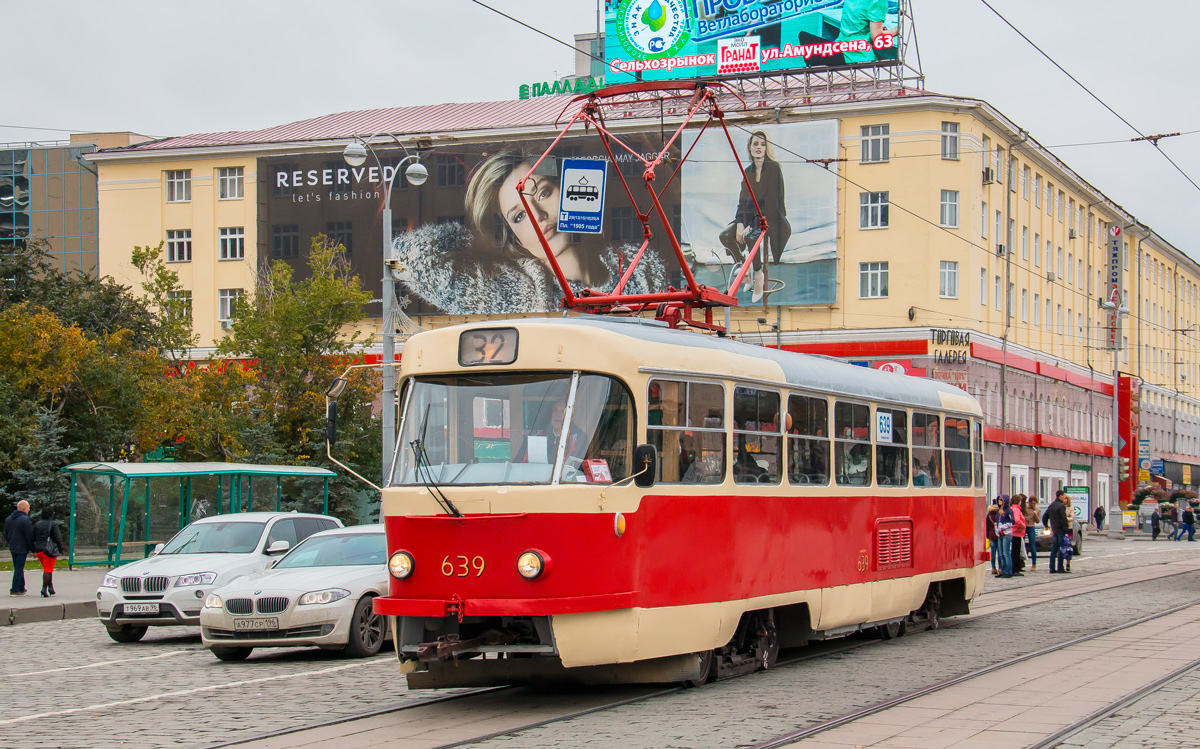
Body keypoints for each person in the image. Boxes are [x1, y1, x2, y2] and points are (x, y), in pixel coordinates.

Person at [394, 148, 666, 314]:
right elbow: (405, 256)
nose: (538, 216)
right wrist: (479, 240)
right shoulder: (509, 290)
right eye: (519, 215)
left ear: (568, 191)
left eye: (544, 192)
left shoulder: (641, 265)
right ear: (513, 236)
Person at [718, 131, 791, 303]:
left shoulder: (773, 168)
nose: (759, 147)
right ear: (749, 147)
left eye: (762, 144)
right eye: (755, 144)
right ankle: (745, 266)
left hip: (771, 217)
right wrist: (740, 223)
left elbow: (772, 203)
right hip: (750, 217)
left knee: (752, 237)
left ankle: (758, 273)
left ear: (767, 148)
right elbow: (742, 202)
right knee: (725, 236)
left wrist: (751, 225)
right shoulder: (748, 171)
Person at [836, 0, 893, 64]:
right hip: (860, 57)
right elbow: (876, 38)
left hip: (842, 48)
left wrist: (875, 27)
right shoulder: (877, 1)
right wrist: (899, 28)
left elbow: (857, 19)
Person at [3, 499, 35, 596]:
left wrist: (10, 542)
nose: (29, 509)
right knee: (19, 568)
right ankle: (15, 589)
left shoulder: (8, 519)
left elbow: (5, 534)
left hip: (13, 546)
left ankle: (21, 587)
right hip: (22, 547)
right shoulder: (25, 520)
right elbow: (29, 535)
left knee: (18, 566)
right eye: (28, 507)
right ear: (24, 508)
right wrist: (33, 549)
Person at [32, 507, 63, 597]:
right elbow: (58, 537)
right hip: (49, 550)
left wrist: (33, 550)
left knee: (47, 569)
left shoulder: (37, 524)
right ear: (51, 514)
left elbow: (32, 537)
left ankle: (51, 588)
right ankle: (44, 589)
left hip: (39, 550)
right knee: (47, 570)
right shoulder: (53, 524)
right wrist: (60, 549)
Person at [1045, 490, 1070, 574]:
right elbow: (1063, 519)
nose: (1064, 497)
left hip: (1054, 529)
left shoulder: (1051, 506)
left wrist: (1046, 525)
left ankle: (1052, 568)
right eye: (1063, 496)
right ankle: (1060, 567)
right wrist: (1066, 530)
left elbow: (1045, 517)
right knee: (1061, 548)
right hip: (1060, 530)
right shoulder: (1061, 506)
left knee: (1054, 549)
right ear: (1060, 496)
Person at [996, 496, 1014, 578]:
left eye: (1001, 499)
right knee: (1001, 554)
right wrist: (997, 528)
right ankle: (1002, 571)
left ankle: (1008, 571)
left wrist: (1004, 526)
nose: (999, 501)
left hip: (1006, 534)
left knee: (1006, 553)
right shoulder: (998, 511)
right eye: (999, 499)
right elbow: (996, 521)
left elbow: (1012, 521)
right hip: (1000, 534)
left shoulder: (1009, 510)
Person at [1011, 494, 1027, 576]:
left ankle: (1015, 568)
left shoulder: (1012, 508)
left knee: (1014, 551)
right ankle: (1015, 569)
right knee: (1016, 552)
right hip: (1016, 533)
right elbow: (1017, 520)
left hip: (1014, 532)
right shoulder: (1016, 510)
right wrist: (1023, 526)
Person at [1024, 497, 1040, 571]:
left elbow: (1038, 521)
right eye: (1031, 503)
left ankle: (1034, 564)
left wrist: (1035, 515)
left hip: (1031, 526)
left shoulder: (1037, 509)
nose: (1033, 505)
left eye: (1034, 503)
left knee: (1032, 545)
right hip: (1024, 526)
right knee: (1022, 544)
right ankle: (1021, 562)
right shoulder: (1025, 508)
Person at [985, 499, 999, 576]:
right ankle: (1000, 568)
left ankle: (993, 568)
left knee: (993, 553)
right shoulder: (1000, 513)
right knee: (1000, 553)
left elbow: (987, 526)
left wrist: (987, 536)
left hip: (991, 535)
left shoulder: (989, 514)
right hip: (999, 535)